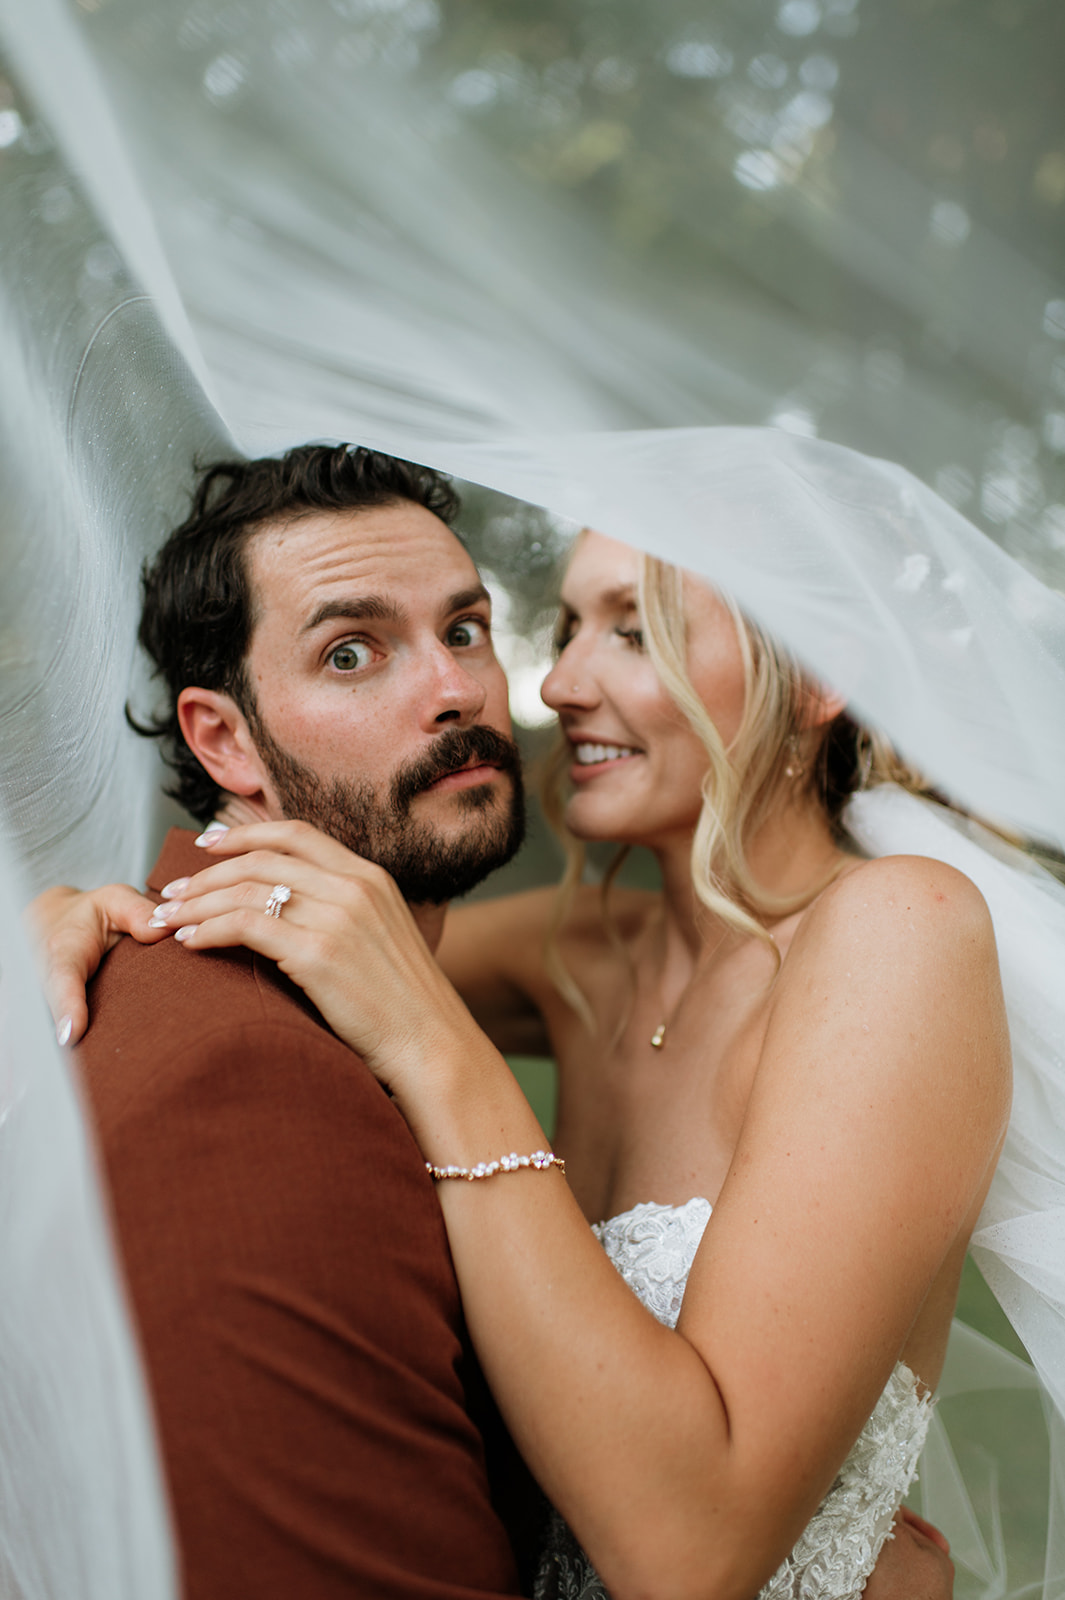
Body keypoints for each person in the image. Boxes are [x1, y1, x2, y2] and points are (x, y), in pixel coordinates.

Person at [36, 459, 971, 1596]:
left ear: (819, 674)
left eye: (637, 630)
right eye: (566, 626)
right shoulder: (583, 951)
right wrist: (75, 912)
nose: (558, 685)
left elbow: (694, 1557)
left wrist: (436, 1044)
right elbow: (308, 933)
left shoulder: (898, 930)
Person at [47, 443, 539, 1600]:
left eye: (464, 628)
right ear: (224, 739)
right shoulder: (248, 1077)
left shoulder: (323, 995)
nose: (455, 688)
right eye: (353, 651)